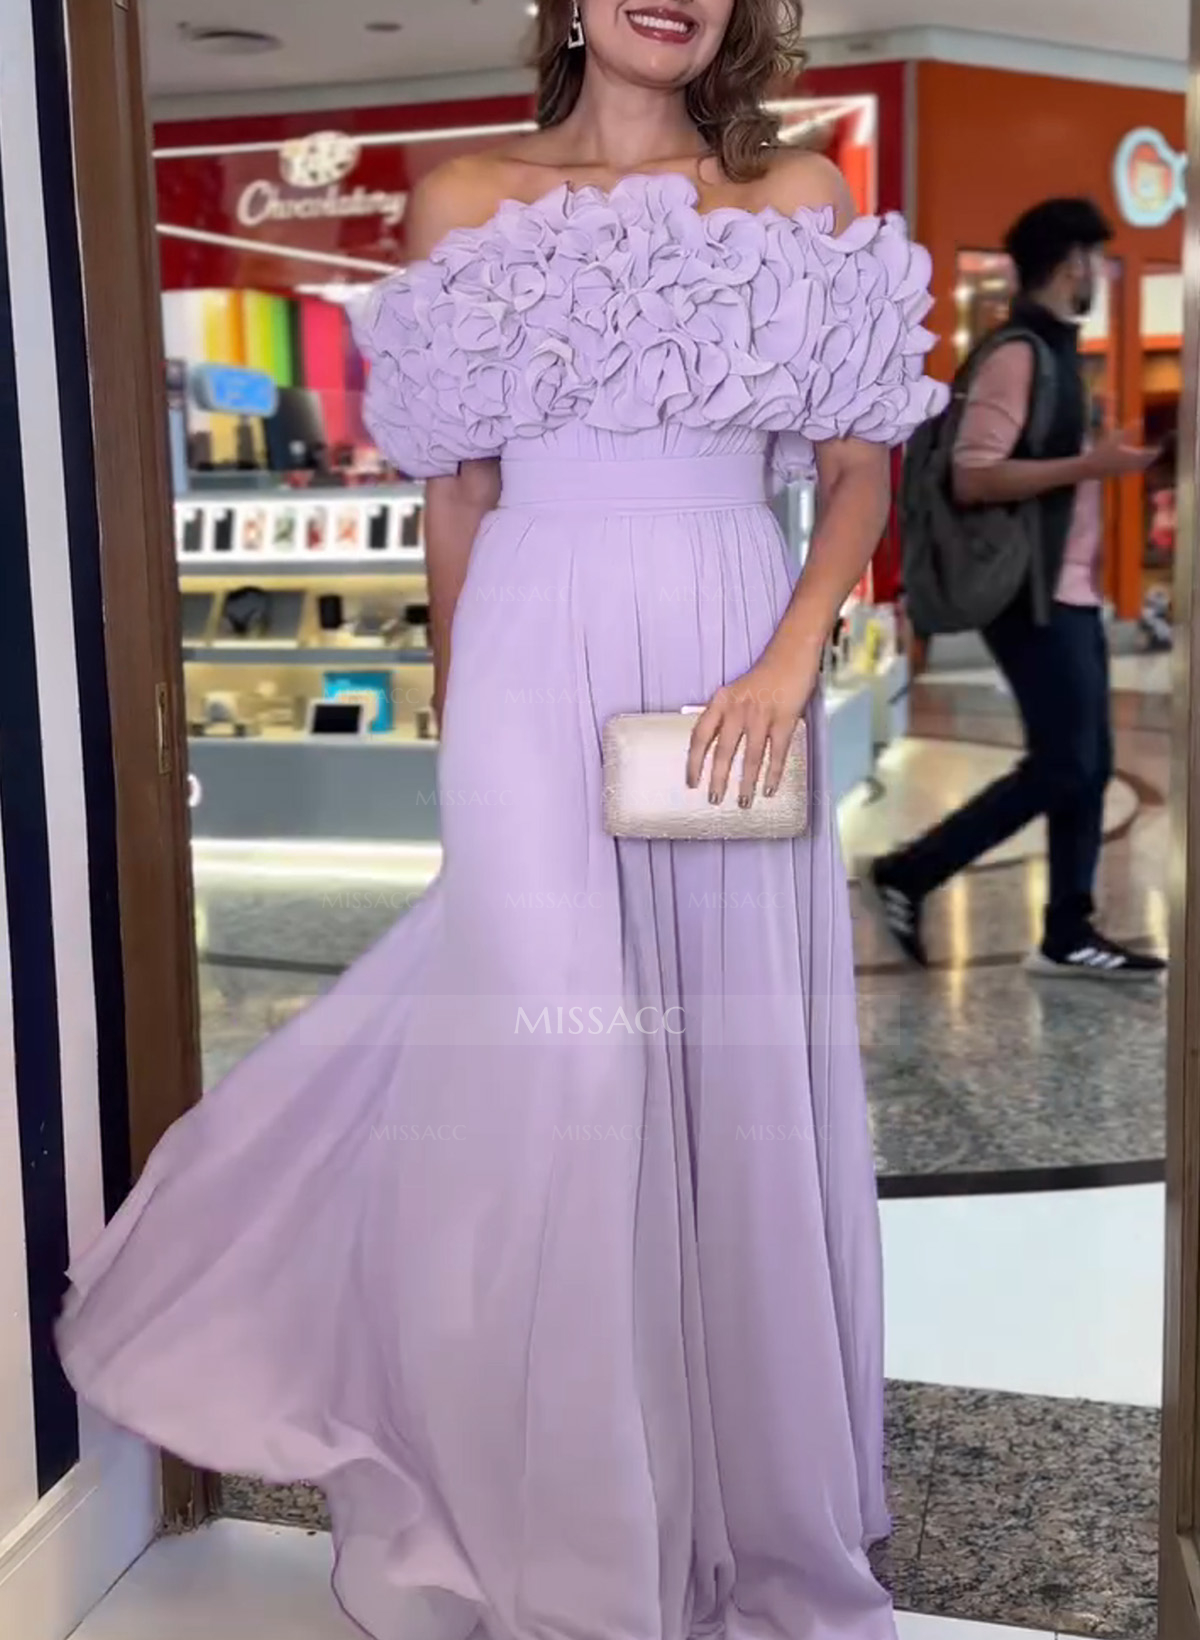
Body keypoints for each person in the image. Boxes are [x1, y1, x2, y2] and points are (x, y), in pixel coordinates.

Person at [57, 3, 944, 1638]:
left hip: (729, 669)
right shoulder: (461, 199)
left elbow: (858, 474)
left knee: (724, 1088)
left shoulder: (800, 196)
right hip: (533, 668)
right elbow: (457, 500)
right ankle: (570, 1545)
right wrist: (469, 738)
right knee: (565, 1077)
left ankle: (735, 1523)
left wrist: (788, 657)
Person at [866, 197, 1165, 980]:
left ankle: (1069, 930)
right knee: (1065, 765)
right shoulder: (1018, 354)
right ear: (1071, 264)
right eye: (1095, 261)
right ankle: (909, 872)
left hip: (1067, 593)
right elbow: (973, 476)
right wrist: (1092, 465)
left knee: (1089, 765)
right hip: (1028, 595)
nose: (1100, 276)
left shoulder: (1056, 352)